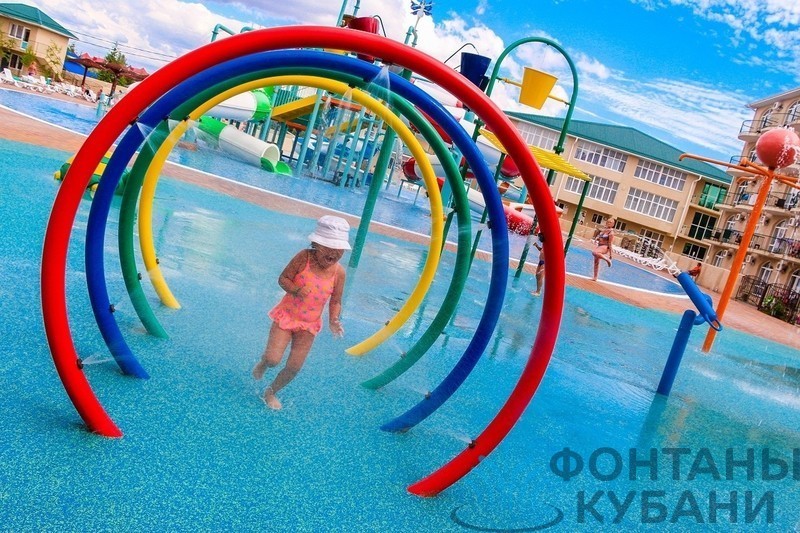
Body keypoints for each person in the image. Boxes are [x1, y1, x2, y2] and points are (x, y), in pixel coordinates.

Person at [252, 215, 350, 410]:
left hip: (309, 326)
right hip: (286, 317)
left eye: (338, 248)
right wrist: (296, 290)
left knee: (294, 367)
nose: (334, 252)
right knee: (273, 359)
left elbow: (336, 301)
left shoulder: (339, 273)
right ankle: (264, 362)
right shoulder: (303, 258)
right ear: (316, 244)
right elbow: (283, 279)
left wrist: (333, 319)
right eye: (329, 246)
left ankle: (271, 391)